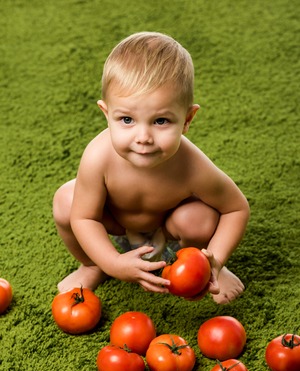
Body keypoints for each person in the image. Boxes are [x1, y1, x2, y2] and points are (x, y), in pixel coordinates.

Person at [53, 31, 250, 304]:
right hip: (116, 220)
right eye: (126, 119)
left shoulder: (191, 164)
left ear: (187, 119)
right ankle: (91, 265)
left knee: (198, 219)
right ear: (106, 114)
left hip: (167, 224)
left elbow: (236, 209)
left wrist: (215, 261)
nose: (143, 137)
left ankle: (202, 266)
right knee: (66, 201)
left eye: (160, 121)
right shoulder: (98, 157)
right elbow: (84, 218)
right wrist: (112, 262)